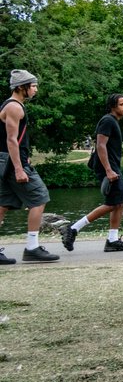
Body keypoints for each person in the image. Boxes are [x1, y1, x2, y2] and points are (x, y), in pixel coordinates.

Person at [60, 94, 123, 252]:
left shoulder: (114, 121)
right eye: (122, 104)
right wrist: (108, 170)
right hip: (107, 168)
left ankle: (112, 240)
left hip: (113, 167)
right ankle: (73, 228)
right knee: (112, 203)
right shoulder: (107, 120)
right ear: (113, 106)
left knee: (120, 202)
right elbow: (100, 145)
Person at [0, 70, 60, 264]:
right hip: (11, 163)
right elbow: (11, 140)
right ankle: (32, 248)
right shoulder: (14, 107)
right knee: (39, 197)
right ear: (21, 87)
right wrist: (19, 167)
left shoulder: (13, 106)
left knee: (3, 205)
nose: (35, 89)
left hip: (9, 161)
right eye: (32, 86)